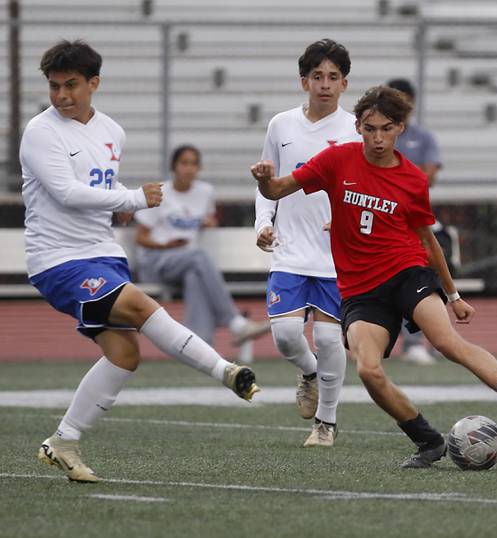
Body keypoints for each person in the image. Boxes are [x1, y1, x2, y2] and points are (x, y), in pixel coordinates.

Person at [251, 86, 497, 468]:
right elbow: (277, 188)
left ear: (400, 128)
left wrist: (453, 295)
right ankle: (428, 441)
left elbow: (428, 241)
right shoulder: (336, 160)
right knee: (368, 370)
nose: (378, 138)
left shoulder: (412, 179)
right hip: (361, 290)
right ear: (357, 126)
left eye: (387, 129)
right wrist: (263, 179)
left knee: (444, 340)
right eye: (370, 128)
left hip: (406, 271)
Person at [21, 40, 259, 483]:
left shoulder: (113, 131)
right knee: (141, 306)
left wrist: (121, 200)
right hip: (58, 259)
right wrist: (131, 198)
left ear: (94, 83)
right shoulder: (41, 131)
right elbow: (66, 193)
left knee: (124, 354)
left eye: (71, 85)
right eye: (54, 87)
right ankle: (223, 370)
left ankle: (64, 440)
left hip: (103, 253)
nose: (61, 96)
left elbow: (96, 186)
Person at [254, 39, 359, 447]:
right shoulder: (281, 126)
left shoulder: (354, 130)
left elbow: (363, 185)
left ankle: (325, 424)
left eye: (333, 77)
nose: (325, 84)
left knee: (331, 339)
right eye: (318, 76)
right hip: (290, 250)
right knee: (284, 336)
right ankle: (310, 373)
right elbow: (266, 183)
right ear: (304, 81)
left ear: (345, 84)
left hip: (335, 255)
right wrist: (263, 223)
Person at [135, 144, 271, 348]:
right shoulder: (160, 193)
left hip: (186, 263)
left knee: (195, 276)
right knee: (197, 257)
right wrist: (167, 245)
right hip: (156, 262)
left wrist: (208, 223)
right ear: (174, 166)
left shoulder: (205, 192)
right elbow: (141, 237)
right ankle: (235, 322)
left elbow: (206, 219)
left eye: (194, 164)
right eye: (184, 163)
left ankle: (199, 344)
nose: (189, 169)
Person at [385, 78, 443, 365]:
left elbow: (428, 174)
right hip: (383, 218)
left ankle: (424, 339)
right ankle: (402, 340)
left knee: (420, 276)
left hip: (413, 218)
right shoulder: (381, 135)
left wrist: (396, 183)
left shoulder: (423, 137)